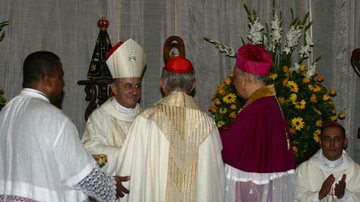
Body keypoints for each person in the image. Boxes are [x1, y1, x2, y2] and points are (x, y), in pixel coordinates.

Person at [0, 51, 129, 202]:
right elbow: (84, 176)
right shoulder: (54, 119)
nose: (63, 83)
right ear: (47, 80)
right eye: (60, 76)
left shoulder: (5, 113)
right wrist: (111, 186)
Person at [116, 56, 225, 202]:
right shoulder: (208, 125)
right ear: (193, 85)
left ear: (162, 84)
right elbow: (217, 182)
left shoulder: (145, 121)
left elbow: (126, 174)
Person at [220, 44, 296, 201]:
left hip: (253, 188)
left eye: (234, 78)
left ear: (245, 77)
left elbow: (230, 148)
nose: (233, 84)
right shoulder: (268, 103)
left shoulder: (257, 108)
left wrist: (211, 133)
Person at [82, 38, 146, 176]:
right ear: (114, 88)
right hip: (113, 189)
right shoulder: (99, 117)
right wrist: (129, 155)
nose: (134, 91)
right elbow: (92, 157)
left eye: (137, 86)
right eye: (128, 86)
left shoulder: (147, 117)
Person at [295, 122, 360, 201]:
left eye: (337, 139)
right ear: (320, 142)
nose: (332, 144)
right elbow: (293, 198)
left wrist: (345, 195)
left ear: (345, 142)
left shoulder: (356, 171)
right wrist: (318, 195)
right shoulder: (304, 170)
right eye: (327, 138)